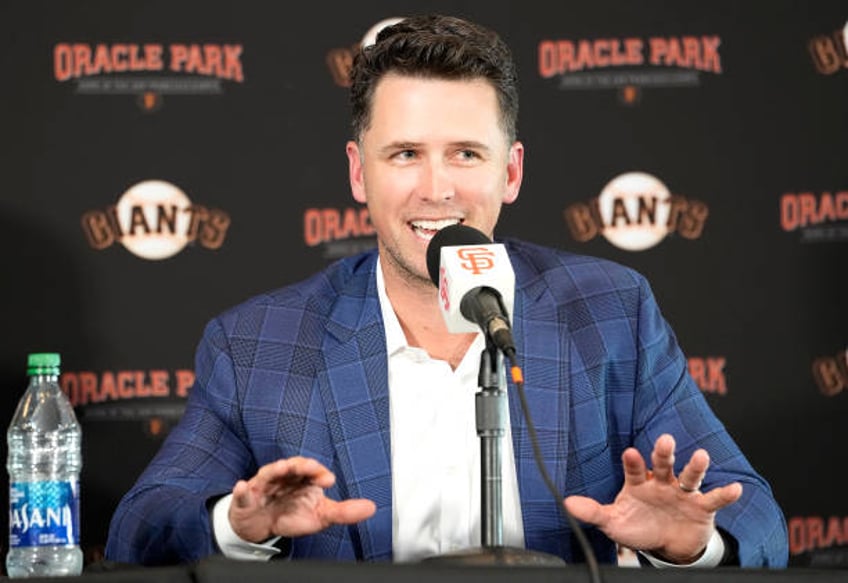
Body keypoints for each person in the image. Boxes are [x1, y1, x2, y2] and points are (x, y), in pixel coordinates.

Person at [105, 14, 788, 567]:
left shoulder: (611, 313)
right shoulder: (258, 344)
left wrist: (689, 542)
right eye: (405, 154)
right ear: (358, 173)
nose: (437, 188)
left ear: (511, 171)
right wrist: (240, 523)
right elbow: (140, 527)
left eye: (466, 153)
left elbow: (755, 517)